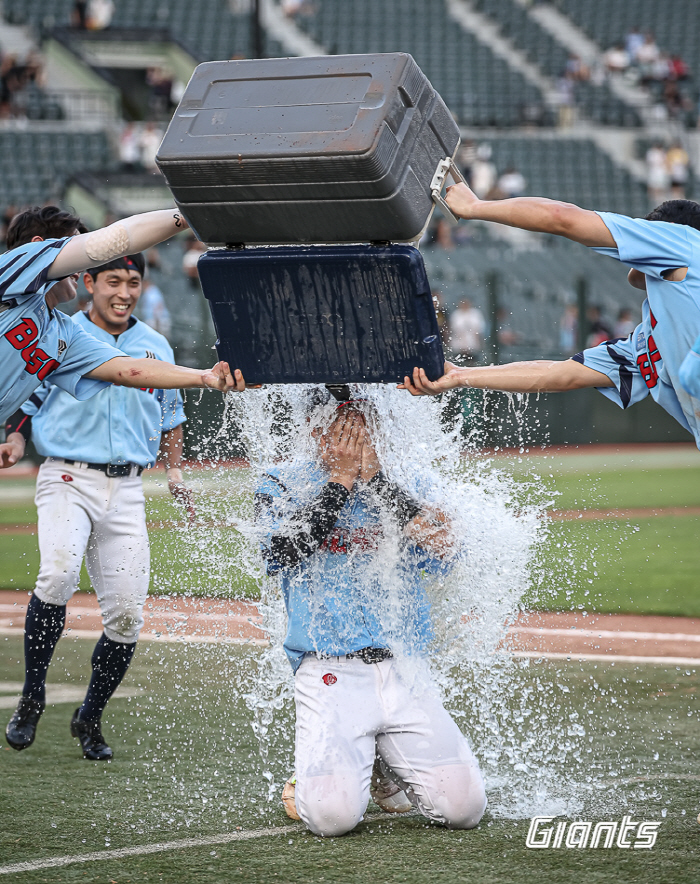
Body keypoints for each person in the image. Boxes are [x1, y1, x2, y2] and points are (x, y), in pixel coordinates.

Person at [255, 391, 486, 837]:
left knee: (464, 810)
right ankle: (321, 774)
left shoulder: (407, 482)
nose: (352, 439)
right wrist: (340, 483)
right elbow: (281, 553)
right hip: (329, 667)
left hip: (404, 665)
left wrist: (377, 481)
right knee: (332, 819)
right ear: (314, 428)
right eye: (342, 428)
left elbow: (445, 550)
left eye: (361, 427)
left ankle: (383, 762)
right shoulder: (281, 481)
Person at [4, 252, 194, 760]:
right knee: (58, 575)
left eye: (133, 283)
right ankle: (33, 695)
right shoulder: (59, 333)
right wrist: (17, 439)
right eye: (113, 280)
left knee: (128, 615)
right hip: (66, 475)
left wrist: (174, 470)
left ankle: (90, 716)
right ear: (89, 281)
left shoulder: (154, 344)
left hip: (127, 488)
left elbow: (169, 412)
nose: (124, 292)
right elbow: (26, 395)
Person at [399, 184, 700, 451]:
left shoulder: (685, 243)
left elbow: (562, 217)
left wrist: (476, 207)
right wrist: (460, 376)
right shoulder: (647, 341)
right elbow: (561, 374)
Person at [0, 204, 244, 443]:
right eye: (72, 245)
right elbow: (111, 242)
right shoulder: (10, 271)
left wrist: (204, 377)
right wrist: (196, 213)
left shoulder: (63, 331)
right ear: (37, 247)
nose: (82, 263)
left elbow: (127, 369)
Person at [449, 299, 486, 364]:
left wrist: (479, 343)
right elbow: (455, 330)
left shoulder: (475, 314)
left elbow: (478, 330)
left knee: (473, 362)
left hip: (472, 344)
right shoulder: (456, 314)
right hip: (459, 345)